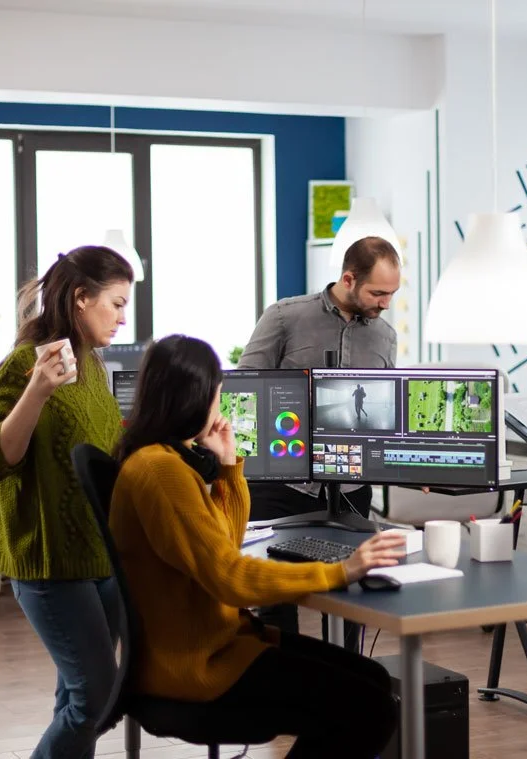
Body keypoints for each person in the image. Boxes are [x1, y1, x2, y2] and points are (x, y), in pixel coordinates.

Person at [110, 335, 403, 758]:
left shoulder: (158, 459)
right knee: (368, 708)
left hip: (212, 648)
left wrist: (228, 468)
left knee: (373, 682)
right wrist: (341, 570)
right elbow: (231, 578)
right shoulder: (162, 472)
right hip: (199, 669)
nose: (219, 407)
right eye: (217, 395)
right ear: (196, 399)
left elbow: (222, 546)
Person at [0, 245, 134, 759]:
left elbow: (101, 449)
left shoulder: (93, 365)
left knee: (77, 697)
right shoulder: (27, 363)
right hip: (47, 558)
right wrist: (36, 391)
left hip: (97, 555)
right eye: (116, 303)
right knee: (98, 698)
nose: (123, 317)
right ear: (81, 299)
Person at [237, 235, 400, 641]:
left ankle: (348, 683)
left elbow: (382, 409)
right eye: (378, 293)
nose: (385, 304)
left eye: (392, 294)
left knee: (356, 593)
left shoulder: (385, 336)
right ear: (348, 279)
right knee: (275, 596)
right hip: (280, 482)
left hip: (351, 485)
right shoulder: (284, 317)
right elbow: (242, 390)